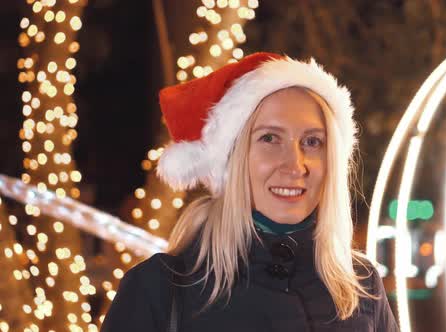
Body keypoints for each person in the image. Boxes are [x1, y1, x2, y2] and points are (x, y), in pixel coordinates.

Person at [101, 52, 399, 332]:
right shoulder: (159, 290)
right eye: (270, 138)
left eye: (312, 142)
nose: (295, 165)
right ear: (232, 157)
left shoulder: (362, 288)